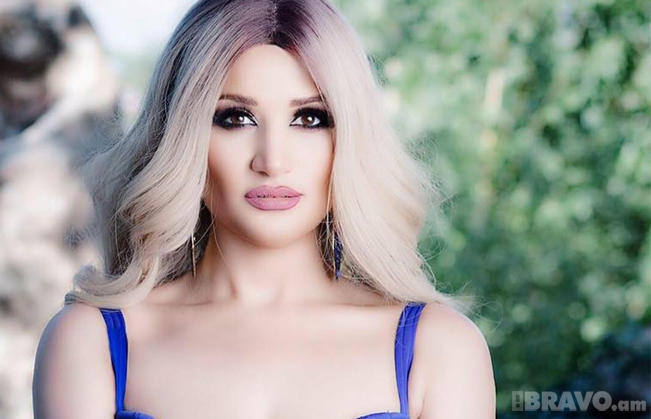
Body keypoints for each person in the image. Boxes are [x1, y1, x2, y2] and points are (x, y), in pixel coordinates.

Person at [32, 0, 496, 418]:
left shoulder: (439, 349)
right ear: (181, 138)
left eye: (310, 118)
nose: (272, 160)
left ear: (351, 138)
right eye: (235, 118)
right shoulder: (89, 342)